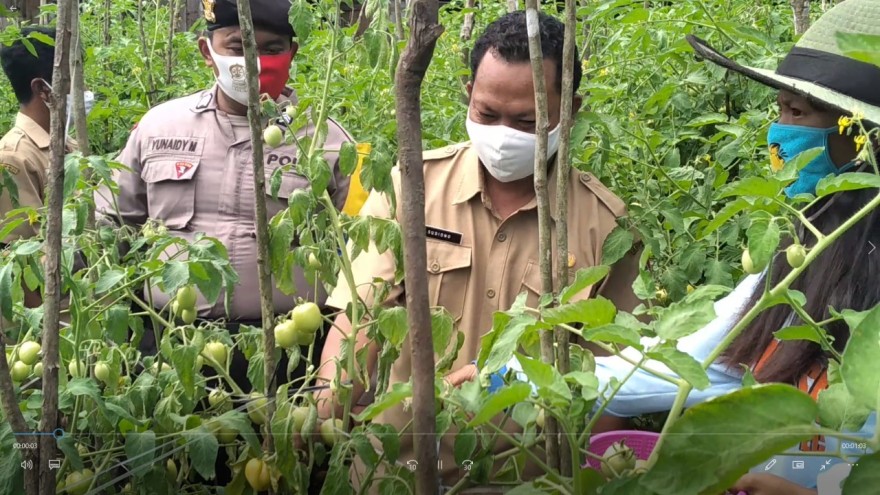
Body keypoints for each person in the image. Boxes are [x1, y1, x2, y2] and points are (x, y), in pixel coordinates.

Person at [316, 11, 642, 489]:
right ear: (468, 91)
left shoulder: (606, 226)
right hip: (395, 472)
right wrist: (325, 410)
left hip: (529, 478)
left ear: (569, 108)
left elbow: (615, 377)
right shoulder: (409, 187)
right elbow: (360, 316)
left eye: (528, 121)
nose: (503, 133)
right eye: (487, 114)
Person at [592, 1, 880, 493]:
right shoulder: (802, 262)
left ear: (859, 136)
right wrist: (510, 374)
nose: (778, 132)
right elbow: (676, 360)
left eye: (796, 112)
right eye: (779, 109)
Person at [94, 0, 361, 367]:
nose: (256, 60)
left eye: (272, 50)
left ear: (291, 54)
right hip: (169, 339)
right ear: (208, 51)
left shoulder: (328, 141)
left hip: (289, 348)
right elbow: (111, 226)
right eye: (238, 47)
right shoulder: (159, 127)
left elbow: (360, 252)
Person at [0, 26, 75, 310]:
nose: (81, 88)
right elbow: (21, 260)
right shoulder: (14, 158)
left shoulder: (70, 145)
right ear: (42, 88)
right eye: (70, 78)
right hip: (52, 326)